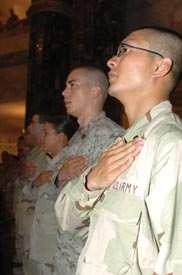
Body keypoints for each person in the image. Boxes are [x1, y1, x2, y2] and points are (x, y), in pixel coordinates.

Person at [55, 25, 182, 275]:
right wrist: (91, 182)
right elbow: (67, 221)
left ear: (160, 67)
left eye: (125, 50)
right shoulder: (123, 144)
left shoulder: (170, 145)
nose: (112, 61)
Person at [52, 65, 144, 275]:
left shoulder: (113, 137)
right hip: (63, 249)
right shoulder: (78, 135)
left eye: (72, 85)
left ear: (95, 91)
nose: (64, 92)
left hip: (86, 257)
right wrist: (59, 178)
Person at [23, 115, 78, 275]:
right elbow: (30, 193)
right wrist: (35, 182)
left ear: (61, 136)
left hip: (56, 244)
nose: (42, 137)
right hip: (43, 240)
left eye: (46, 133)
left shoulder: (69, 163)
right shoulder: (50, 161)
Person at [14, 113, 49, 275]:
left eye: (32, 124)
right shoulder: (36, 153)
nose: (28, 128)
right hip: (28, 218)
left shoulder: (47, 154)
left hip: (37, 222)